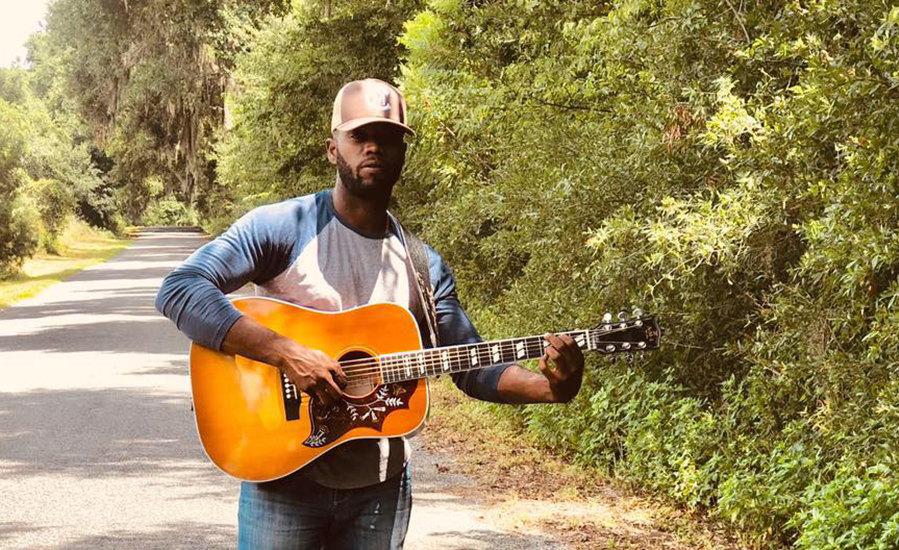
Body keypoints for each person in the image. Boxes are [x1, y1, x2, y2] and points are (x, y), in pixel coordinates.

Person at [155, 78, 584, 550]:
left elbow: (472, 366)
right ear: (332, 149)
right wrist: (285, 353)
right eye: (360, 136)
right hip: (281, 478)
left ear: (403, 153)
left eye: (388, 137)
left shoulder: (424, 266)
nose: (374, 147)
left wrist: (550, 387)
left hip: (379, 491)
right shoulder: (284, 228)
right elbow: (181, 289)